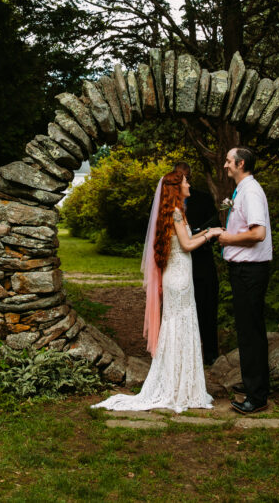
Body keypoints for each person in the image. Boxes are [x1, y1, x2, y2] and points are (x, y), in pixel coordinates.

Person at [91, 167, 220, 413]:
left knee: (175, 327)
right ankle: (179, 387)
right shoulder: (177, 214)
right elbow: (187, 244)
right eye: (185, 183)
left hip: (175, 278)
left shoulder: (169, 213)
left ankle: (178, 383)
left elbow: (183, 241)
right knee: (180, 327)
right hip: (181, 280)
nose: (189, 186)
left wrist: (205, 232)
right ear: (176, 188)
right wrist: (211, 233)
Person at [211, 147, 273, 414]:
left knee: (251, 334)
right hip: (244, 270)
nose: (225, 165)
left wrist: (227, 239)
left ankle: (256, 397)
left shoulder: (251, 191)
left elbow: (258, 233)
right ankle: (253, 387)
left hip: (251, 271)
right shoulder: (243, 190)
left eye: (228, 161)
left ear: (241, 163)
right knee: (248, 332)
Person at [174, 162, 220, 364]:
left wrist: (206, 232)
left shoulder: (202, 198)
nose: (185, 181)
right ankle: (182, 355)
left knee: (207, 306)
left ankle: (210, 353)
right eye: (180, 177)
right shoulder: (166, 205)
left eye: (186, 177)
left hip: (202, 262)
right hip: (178, 265)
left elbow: (216, 223)